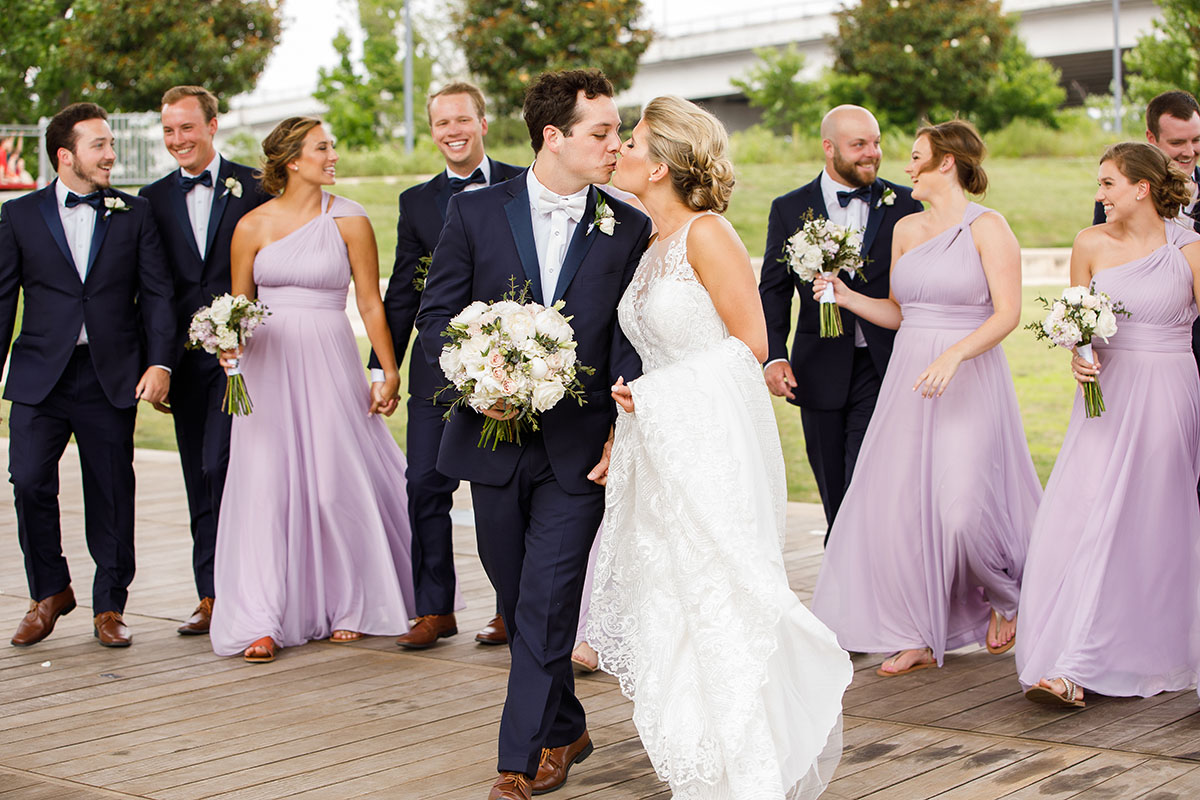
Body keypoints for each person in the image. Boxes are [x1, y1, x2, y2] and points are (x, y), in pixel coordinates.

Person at [585, 95, 851, 800]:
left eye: (635, 144)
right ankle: (700, 768)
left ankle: (749, 775)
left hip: (711, 448)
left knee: (723, 597)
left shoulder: (708, 235)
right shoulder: (645, 246)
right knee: (672, 602)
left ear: (666, 164)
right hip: (662, 450)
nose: (622, 153)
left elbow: (752, 347)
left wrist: (659, 396)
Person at [416, 69, 651, 800]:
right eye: (602, 131)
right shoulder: (476, 211)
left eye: (616, 131)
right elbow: (436, 318)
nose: (616, 143)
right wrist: (476, 385)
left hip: (578, 451)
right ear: (554, 136)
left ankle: (517, 764)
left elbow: (627, 340)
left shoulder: (628, 224)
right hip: (490, 444)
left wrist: (621, 420)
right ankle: (567, 726)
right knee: (520, 597)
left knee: (549, 599)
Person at [810, 119, 1042, 677]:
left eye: (917, 156)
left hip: (968, 379)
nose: (906, 165)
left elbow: (1008, 313)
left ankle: (1005, 594)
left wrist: (956, 354)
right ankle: (917, 632)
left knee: (961, 511)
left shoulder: (990, 227)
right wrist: (845, 296)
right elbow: (899, 312)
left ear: (946, 163)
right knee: (905, 511)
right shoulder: (906, 230)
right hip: (911, 382)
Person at [208, 117, 415, 663]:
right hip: (265, 367)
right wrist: (227, 346)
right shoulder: (250, 226)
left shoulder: (349, 219)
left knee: (331, 486)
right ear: (292, 161)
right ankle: (261, 615)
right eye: (323, 148)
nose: (334, 156)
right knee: (266, 490)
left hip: (328, 360)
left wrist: (387, 370)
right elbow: (238, 309)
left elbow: (371, 301)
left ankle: (353, 602)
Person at [1018, 142, 1200, 707]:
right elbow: (1079, 327)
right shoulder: (1088, 244)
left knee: (1147, 521)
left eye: (1108, 184)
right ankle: (1069, 660)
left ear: (1141, 188)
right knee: (1085, 515)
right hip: (1105, 396)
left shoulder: (1190, 247)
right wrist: (1077, 354)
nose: (1098, 195)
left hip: (1168, 391)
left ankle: (1122, 654)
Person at [0, 102, 176, 648]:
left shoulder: (136, 212)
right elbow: (3, 300)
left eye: (110, 143)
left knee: (111, 489)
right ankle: (49, 590)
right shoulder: (19, 215)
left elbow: (158, 295)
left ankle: (109, 606)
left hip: (110, 374)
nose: (110, 154)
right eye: (98, 144)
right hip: (39, 377)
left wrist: (160, 361)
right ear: (65, 155)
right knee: (28, 480)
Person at [374, 82, 522, 651]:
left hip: (510, 371)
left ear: (483, 122)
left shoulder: (521, 182)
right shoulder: (417, 203)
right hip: (438, 371)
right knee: (424, 485)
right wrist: (381, 365)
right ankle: (434, 609)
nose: (452, 131)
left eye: (462, 119)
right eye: (441, 123)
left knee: (503, 493)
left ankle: (511, 610)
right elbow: (401, 292)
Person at [139, 85, 271, 636]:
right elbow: (153, 290)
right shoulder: (151, 199)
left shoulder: (257, 187)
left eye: (187, 128)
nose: (178, 140)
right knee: (200, 475)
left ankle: (256, 589)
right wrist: (161, 364)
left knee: (238, 471)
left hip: (253, 359)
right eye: (169, 131)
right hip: (188, 366)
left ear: (213, 125)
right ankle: (211, 594)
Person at [759, 105, 922, 542]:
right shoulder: (788, 208)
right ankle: (841, 572)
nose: (873, 153)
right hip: (818, 368)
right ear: (829, 148)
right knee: (832, 483)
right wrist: (774, 356)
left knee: (868, 475)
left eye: (877, 142)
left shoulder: (907, 204)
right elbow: (773, 291)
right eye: (860, 145)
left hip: (886, 362)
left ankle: (863, 565)